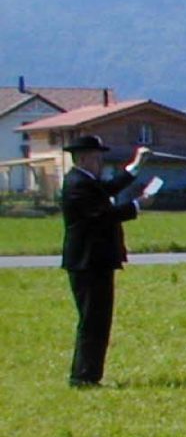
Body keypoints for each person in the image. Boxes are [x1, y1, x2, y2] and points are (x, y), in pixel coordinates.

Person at [60, 134, 153, 387]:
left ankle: (89, 375)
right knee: (92, 321)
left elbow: (110, 189)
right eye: (96, 157)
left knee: (99, 320)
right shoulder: (77, 184)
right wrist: (137, 206)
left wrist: (136, 165)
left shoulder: (87, 182)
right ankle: (83, 377)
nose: (101, 162)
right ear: (83, 158)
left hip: (96, 260)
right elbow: (101, 216)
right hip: (87, 262)